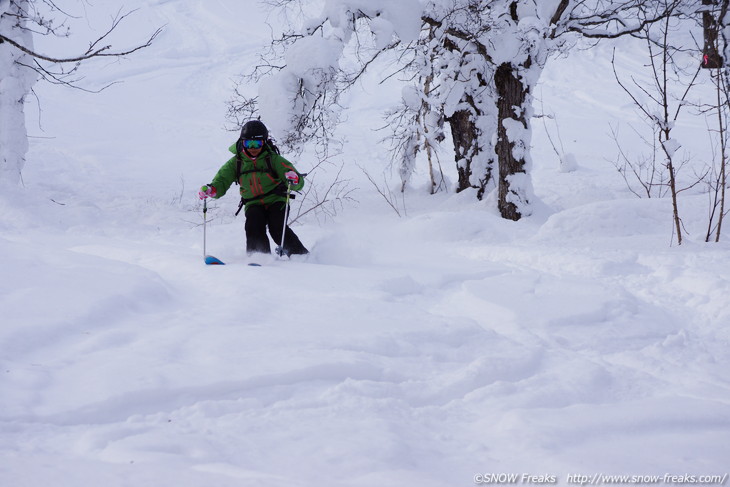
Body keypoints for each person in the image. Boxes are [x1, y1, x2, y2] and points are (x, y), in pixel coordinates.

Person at [199, 120, 309, 257]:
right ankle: (259, 257)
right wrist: (212, 190)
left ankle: (300, 256)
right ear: (242, 142)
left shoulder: (273, 159)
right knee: (253, 224)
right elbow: (221, 181)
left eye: (257, 143)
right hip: (253, 203)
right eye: (248, 143)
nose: (253, 147)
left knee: (277, 228)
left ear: (264, 142)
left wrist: (294, 180)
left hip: (276, 200)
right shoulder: (236, 162)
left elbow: (297, 181)